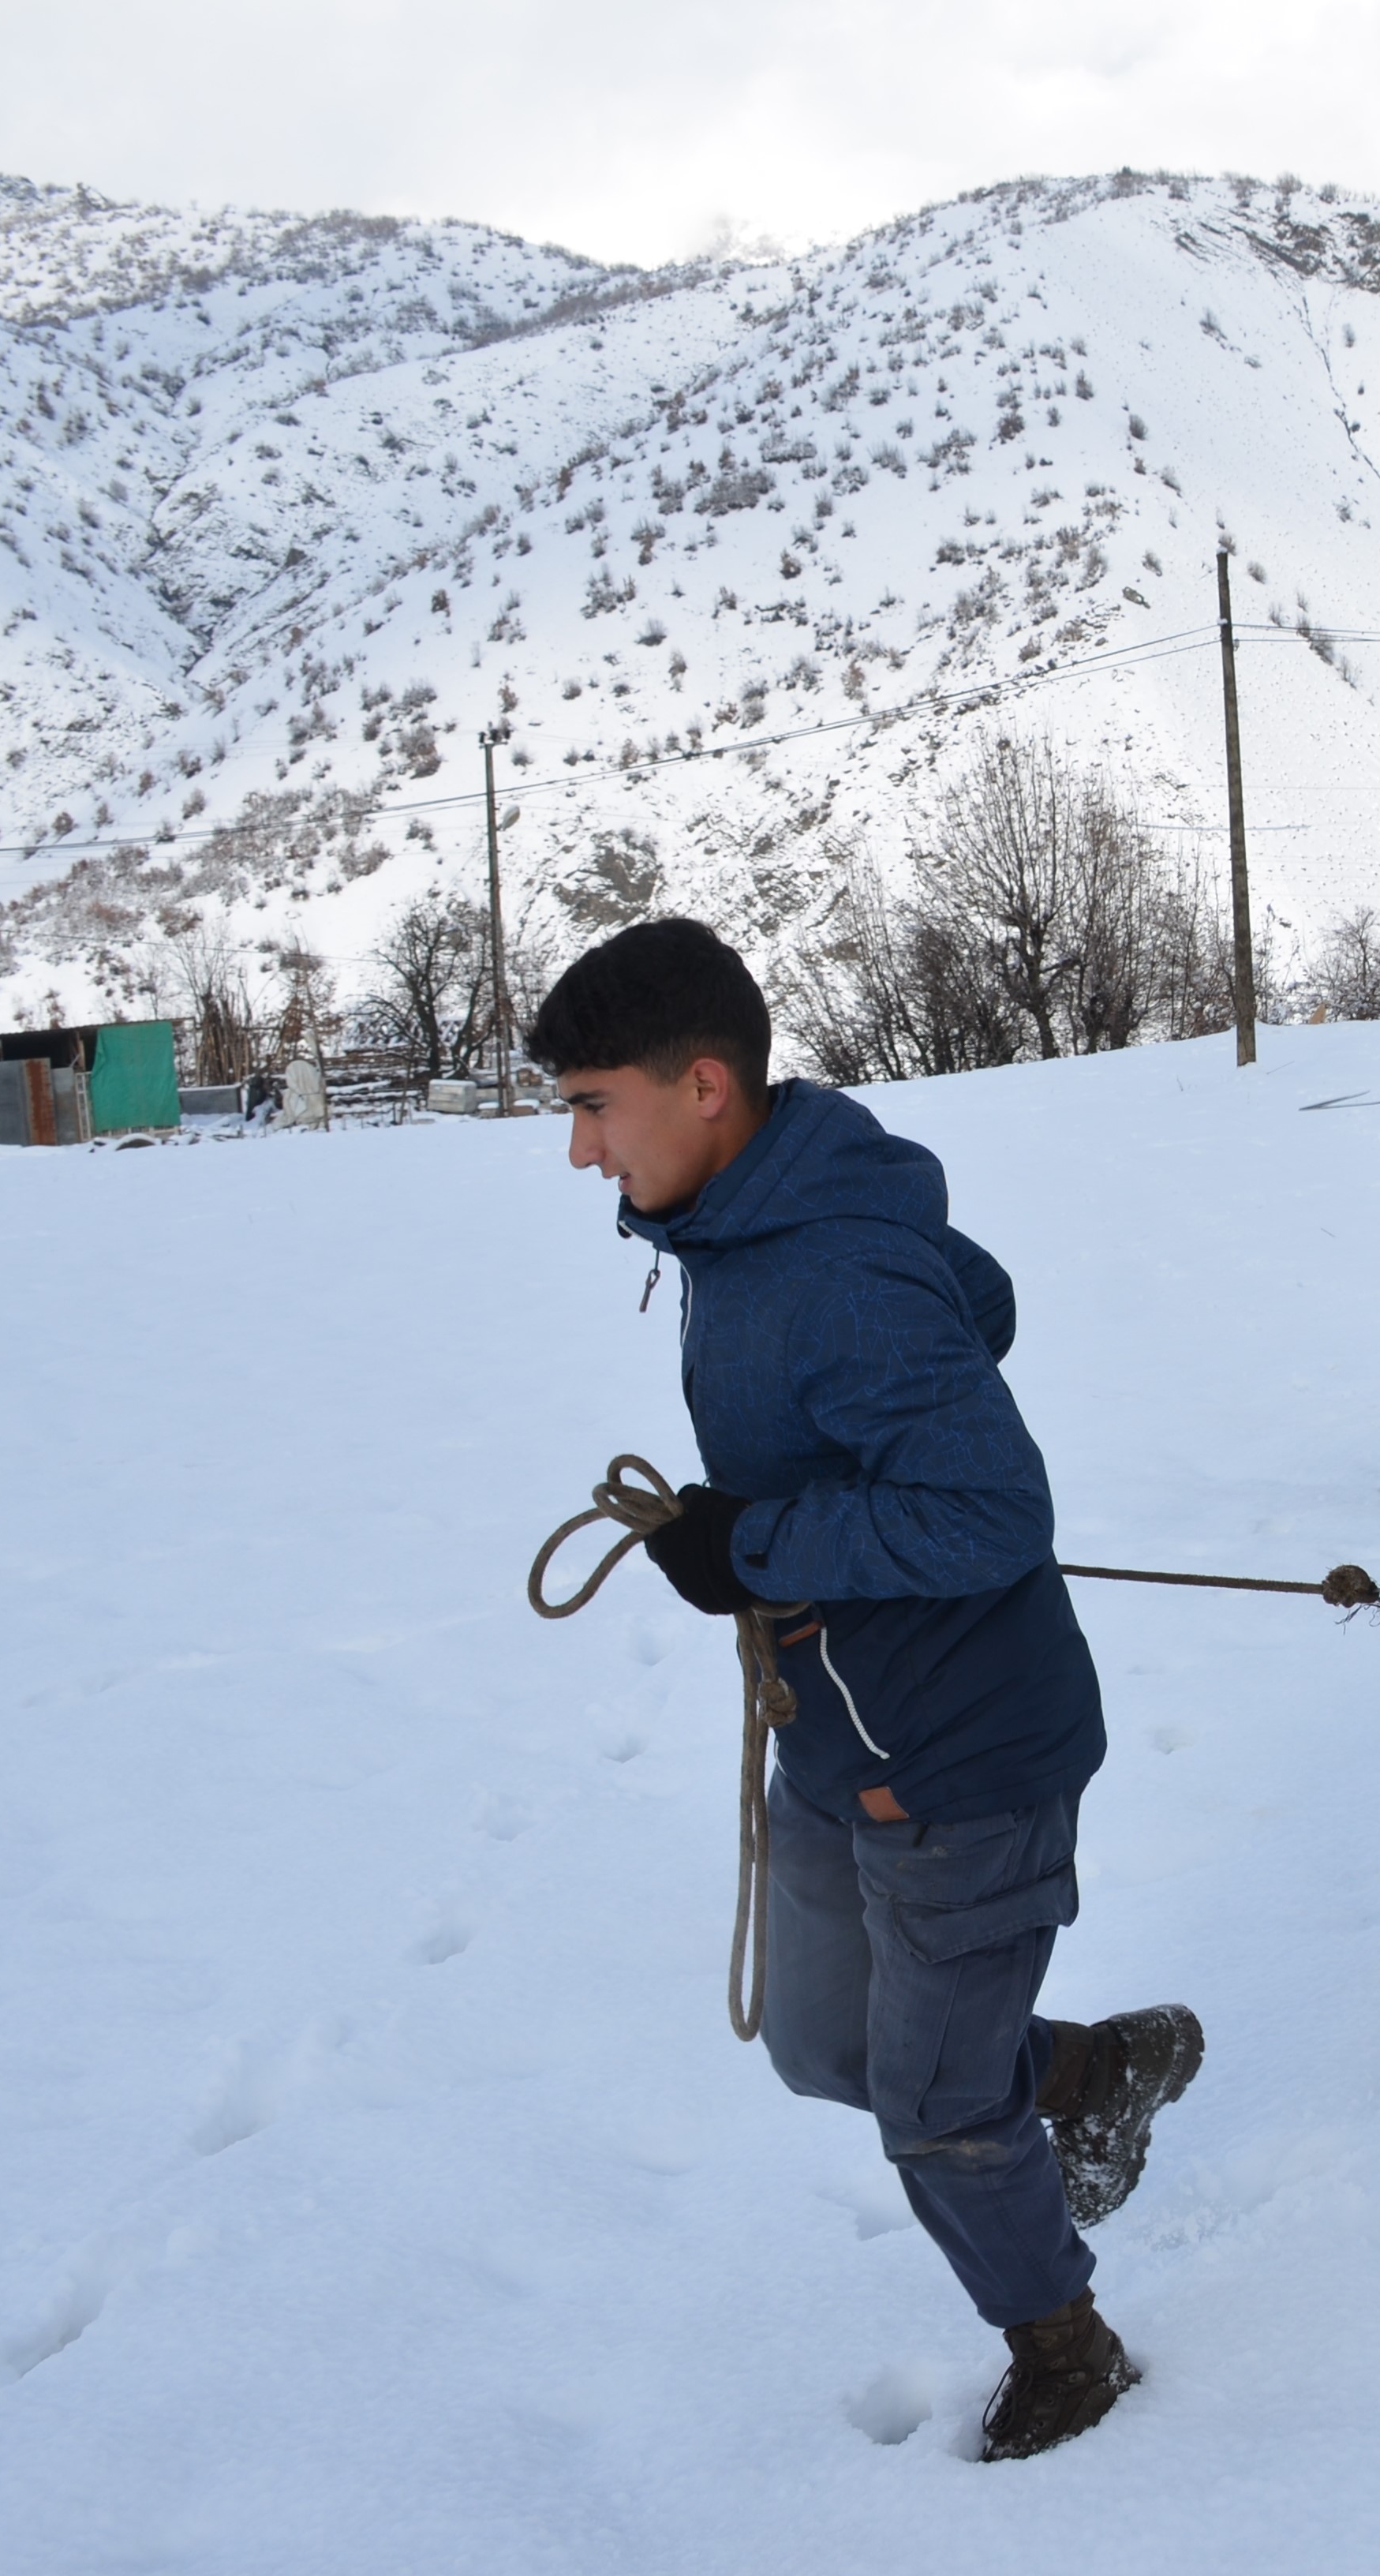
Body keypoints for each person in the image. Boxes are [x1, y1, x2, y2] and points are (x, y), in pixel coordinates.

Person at [527, 917, 1199, 2463]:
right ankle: (1098, 2071)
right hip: (837, 1740)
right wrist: (767, 1529)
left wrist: (756, 1541)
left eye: (592, 1105)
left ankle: (1065, 2347)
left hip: (961, 1767)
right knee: (829, 2049)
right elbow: (980, 1303)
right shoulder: (751, 1219)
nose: (576, 1150)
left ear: (703, 1089)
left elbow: (990, 1513)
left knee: (941, 2114)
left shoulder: (828, 1270)